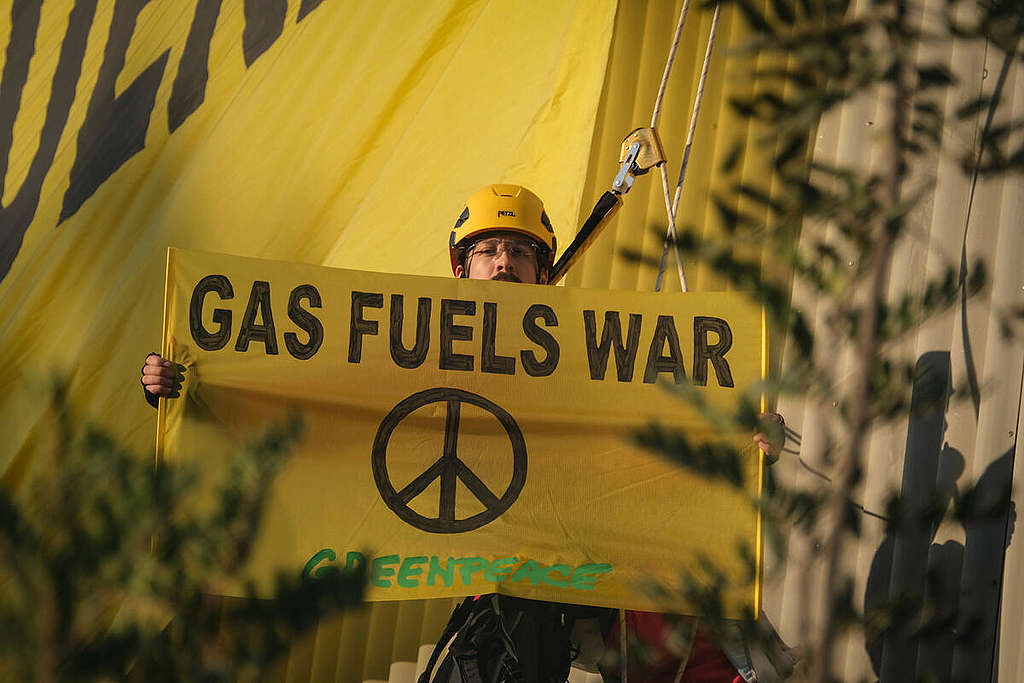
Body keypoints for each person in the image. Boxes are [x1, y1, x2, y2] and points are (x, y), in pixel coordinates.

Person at [140, 184, 793, 682]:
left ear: (542, 268)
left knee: (686, 638)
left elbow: (673, 423)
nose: (503, 262)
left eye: (517, 251)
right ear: (464, 269)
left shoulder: (598, 353)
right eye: (487, 250)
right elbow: (309, 407)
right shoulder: (411, 352)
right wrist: (193, 385)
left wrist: (747, 433)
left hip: (611, 560)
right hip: (507, 576)